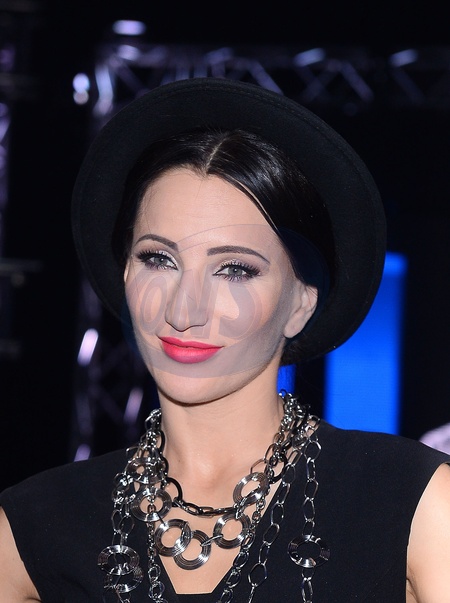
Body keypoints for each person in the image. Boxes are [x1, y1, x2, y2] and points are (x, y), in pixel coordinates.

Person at [1, 77, 450, 603]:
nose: (183, 310)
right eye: (158, 259)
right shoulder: (35, 525)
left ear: (301, 304)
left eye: (235, 269)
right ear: (125, 275)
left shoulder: (410, 503)